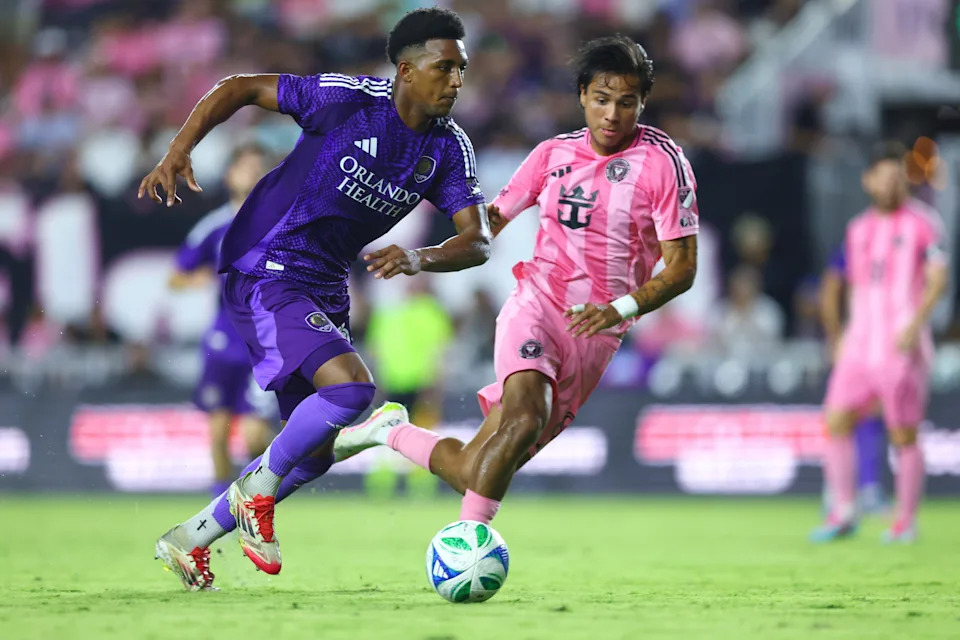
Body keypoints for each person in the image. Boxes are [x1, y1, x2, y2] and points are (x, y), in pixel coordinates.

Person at [145, 7, 491, 590]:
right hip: (266, 259)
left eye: (462, 69)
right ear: (406, 70)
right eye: (445, 67)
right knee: (352, 388)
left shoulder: (449, 148)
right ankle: (260, 490)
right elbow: (240, 88)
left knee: (310, 456)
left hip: (325, 281)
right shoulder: (347, 101)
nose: (456, 80)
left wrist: (420, 257)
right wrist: (181, 148)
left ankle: (189, 538)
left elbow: (478, 239)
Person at [334, 35, 699, 526]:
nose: (612, 114)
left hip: (597, 334)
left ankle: (389, 431)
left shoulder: (663, 164)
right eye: (601, 99)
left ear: (642, 103)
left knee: (475, 469)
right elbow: (483, 229)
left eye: (626, 102)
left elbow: (682, 268)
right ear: (582, 96)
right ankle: (469, 543)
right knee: (525, 415)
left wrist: (620, 309)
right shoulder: (551, 156)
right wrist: (420, 256)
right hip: (536, 305)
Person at [811, 142, 948, 543]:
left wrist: (917, 323)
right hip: (859, 344)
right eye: (882, 177)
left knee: (903, 433)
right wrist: (837, 337)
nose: (890, 184)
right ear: (868, 181)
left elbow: (938, 277)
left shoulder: (924, 223)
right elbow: (838, 284)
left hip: (901, 345)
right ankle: (844, 512)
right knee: (836, 420)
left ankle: (905, 521)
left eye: (896, 176)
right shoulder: (857, 229)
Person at [169, 144, 274, 499]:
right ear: (230, 176)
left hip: (266, 341)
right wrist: (200, 278)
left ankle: (257, 496)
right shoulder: (214, 226)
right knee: (217, 427)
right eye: (246, 167)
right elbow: (176, 276)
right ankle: (221, 501)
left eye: (260, 168)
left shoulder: (283, 223)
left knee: (256, 437)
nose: (253, 174)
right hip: (223, 338)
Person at [819, 245, 887, 514]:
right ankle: (838, 493)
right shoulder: (858, 239)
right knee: (839, 416)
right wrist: (835, 336)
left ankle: (866, 489)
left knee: (871, 413)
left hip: (886, 338)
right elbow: (831, 290)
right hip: (856, 339)